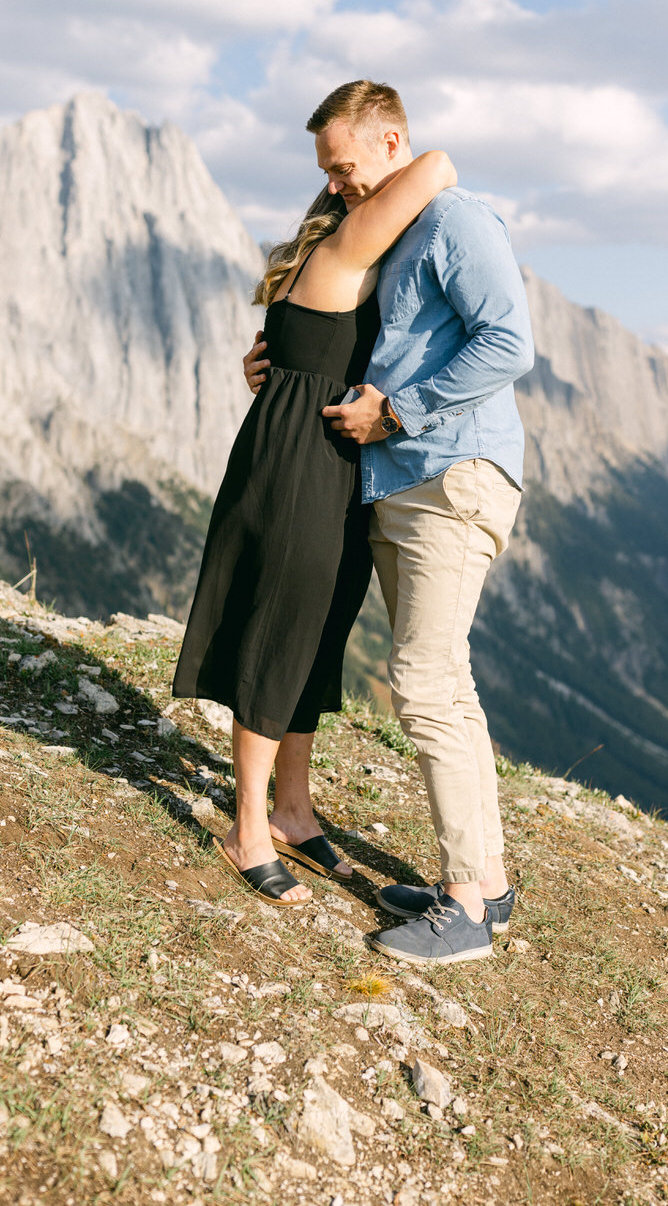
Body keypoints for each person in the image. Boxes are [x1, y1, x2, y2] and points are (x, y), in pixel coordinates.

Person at [244, 79, 533, 962]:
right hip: (403, 483)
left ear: (392, 140)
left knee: (426, 684)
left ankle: (465, 909)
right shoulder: (397, 236)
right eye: (327, 174)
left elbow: (509, 343)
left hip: (450, 476)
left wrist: (398, 414)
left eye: (344, 167)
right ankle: (486, 881)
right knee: (448, 682)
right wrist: (284, 361)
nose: (336, 185)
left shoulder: (454, 222)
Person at [172, 145, 457, 906]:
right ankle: (248, 829)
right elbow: (436, 166)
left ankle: (293, 812)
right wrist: (380, 159)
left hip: (329, 466)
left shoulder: (345, 265)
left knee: (317, 633)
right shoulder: (343, 248)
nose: (335, 181)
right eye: (334, 174)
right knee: (279, 634)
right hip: (300, 468)